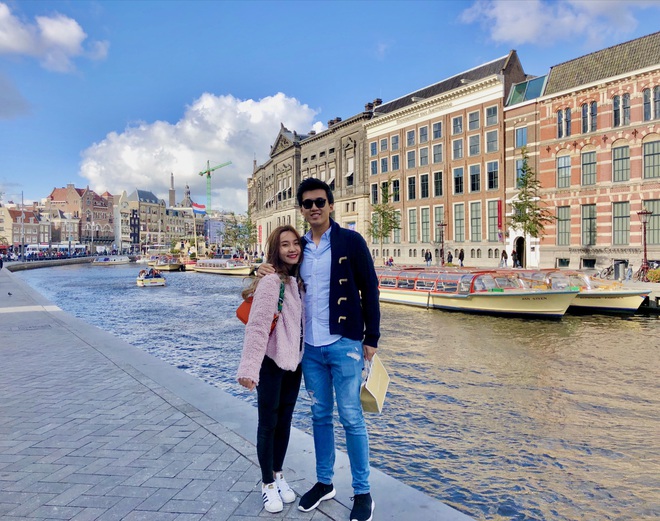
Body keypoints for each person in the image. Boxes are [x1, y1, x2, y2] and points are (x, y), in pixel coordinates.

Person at [258, 178, 380, 521]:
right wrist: (261, 267)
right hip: (310, 348)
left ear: (331, 205)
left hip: (345, 343)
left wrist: (372, 338)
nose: (314, 208)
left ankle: (363, 491)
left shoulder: (351, 241)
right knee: (320, 416)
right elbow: (277, 273)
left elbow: (370, 289)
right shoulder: (299, 249)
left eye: (320, 202)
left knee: (352, 417)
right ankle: (325, 482)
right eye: (308, 203)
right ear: (301, 209)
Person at [237, 225, 304, 514]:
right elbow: (257, 327)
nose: (292, 248)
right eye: (285, 244)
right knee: (268, 424)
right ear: (275, 249)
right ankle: (266, 484)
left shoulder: (297, 281)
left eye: (295, 243)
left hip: (294, 363)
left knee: (285, 421)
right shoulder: (270, 281)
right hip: (271, 363)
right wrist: (249, 368)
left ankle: (278, 474)